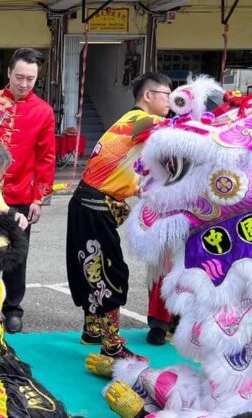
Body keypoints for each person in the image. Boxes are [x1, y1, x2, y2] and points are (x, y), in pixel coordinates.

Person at [65, 72, 172, 360]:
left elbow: (124, 170)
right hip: (95, 206)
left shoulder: (131, 122)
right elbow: (184, 132)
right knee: (109, 272)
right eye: (167, 95)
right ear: (148, 96)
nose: (171, 102)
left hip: (87, 203)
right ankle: (112, 345)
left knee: (90, 268)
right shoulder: (143, 120)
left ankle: (92, 330)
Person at [0, 47, 56, 334]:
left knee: (17, 254)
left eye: (30, 79)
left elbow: (46, 157)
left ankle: (13, 308)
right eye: (19, 77)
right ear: (8, 72)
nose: (24, 84)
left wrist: (39, 198)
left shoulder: (43, 111)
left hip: (21, 195)